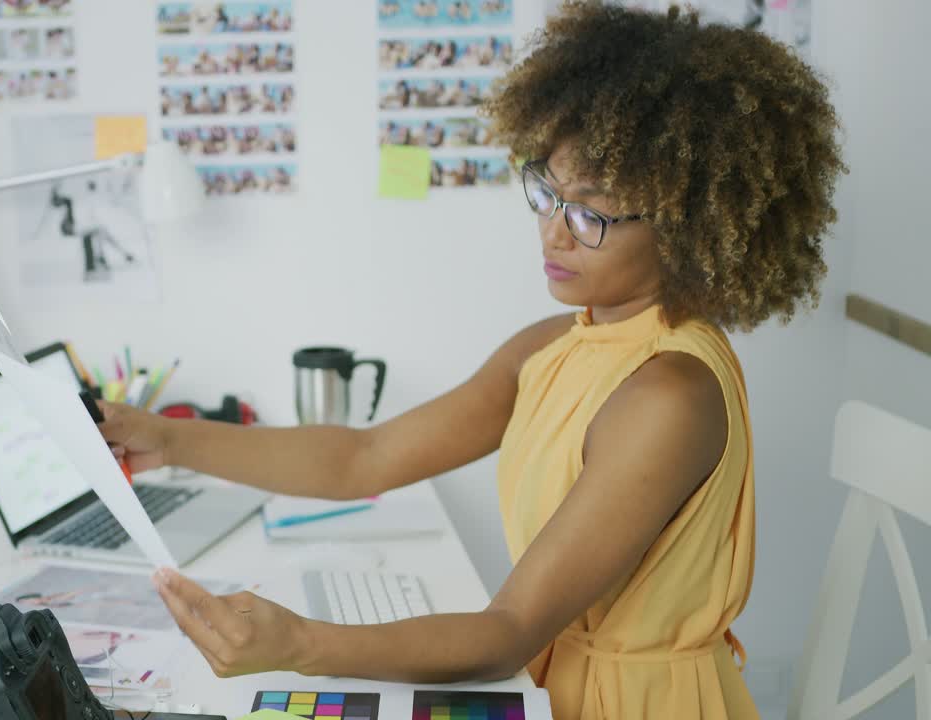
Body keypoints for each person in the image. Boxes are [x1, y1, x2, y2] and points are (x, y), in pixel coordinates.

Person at [98, 4, 844, 719]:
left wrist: (300, 644)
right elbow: (364, 457)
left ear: (685, 227)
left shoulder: (669, 394)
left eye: (590, 213)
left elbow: (507, 632)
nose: (554, 233)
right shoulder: (554, 344)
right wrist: (166, 439)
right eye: (547, 192)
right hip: (547, 687)